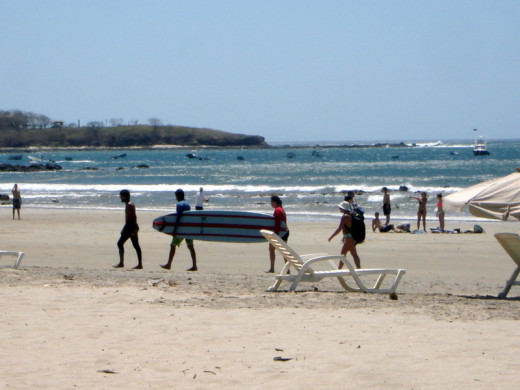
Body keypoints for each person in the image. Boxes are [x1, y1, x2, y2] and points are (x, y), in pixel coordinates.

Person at [161, 189, 197, 271]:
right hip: (188, 229)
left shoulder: (179, 205)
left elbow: (178, 218)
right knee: (191, 247)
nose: (176, 198)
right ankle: (194, 265)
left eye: (176, 196)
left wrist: (175, 229)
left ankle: (169, 264)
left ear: (179, 196)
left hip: (181, 229)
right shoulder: (188, 204)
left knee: (173, 245)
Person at [114, 190, 143, 269]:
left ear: (126, 196)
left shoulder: (129, 205)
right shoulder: (130, 204)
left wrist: (125, 229)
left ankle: (122, 263)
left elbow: (130, 219)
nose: (121, 198)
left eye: (122, 196)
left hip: (130, 227)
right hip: (132, 227)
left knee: (121, 243)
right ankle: (138, 264)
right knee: (135, 245)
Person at [328, 201, 361, 269]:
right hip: (351, 237)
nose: (339, 209)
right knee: (353, 254)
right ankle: (358, 268)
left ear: (343, 208)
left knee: (343, 254)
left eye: (340, 208)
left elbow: (340, 228)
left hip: (348, 238)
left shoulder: (345, 217)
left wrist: (331, 237)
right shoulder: (351, 215)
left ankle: (339, 270)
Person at [266, 195, 289, 273]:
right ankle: (287, 270)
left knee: (271, 249)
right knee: (284, 251)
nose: (271, 204)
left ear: (274, 202)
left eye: (271, 202)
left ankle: (272, 268)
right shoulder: (282, 209)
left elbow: (278, 224)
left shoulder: (277, 210)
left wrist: (275, 234)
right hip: (285, 232)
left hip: (280, 232)